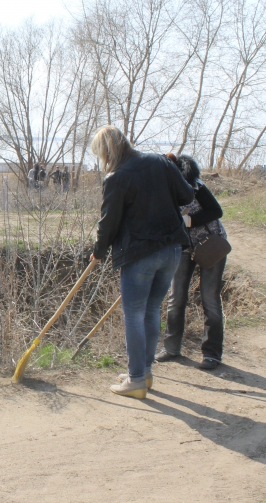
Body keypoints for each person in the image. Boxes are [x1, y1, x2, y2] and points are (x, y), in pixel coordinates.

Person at [90, 126, 194, 399]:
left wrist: (99, 251)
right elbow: (187, 195)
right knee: (151, 311)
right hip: (171, 249)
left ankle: (136, 378)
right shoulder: (160, 161)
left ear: (108, 152)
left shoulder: (117, 177)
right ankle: (144, 372)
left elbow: (108, 222)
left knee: (134, 315)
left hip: (140, 254)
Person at [156, 154, 228, 370]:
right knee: (175, 298)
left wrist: (189, 221)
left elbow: (217, 211)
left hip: (210, 245)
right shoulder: (163, 191)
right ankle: (171, 348)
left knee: (210, 299)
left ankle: (212, 354)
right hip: (183, 248)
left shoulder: (196, 187)